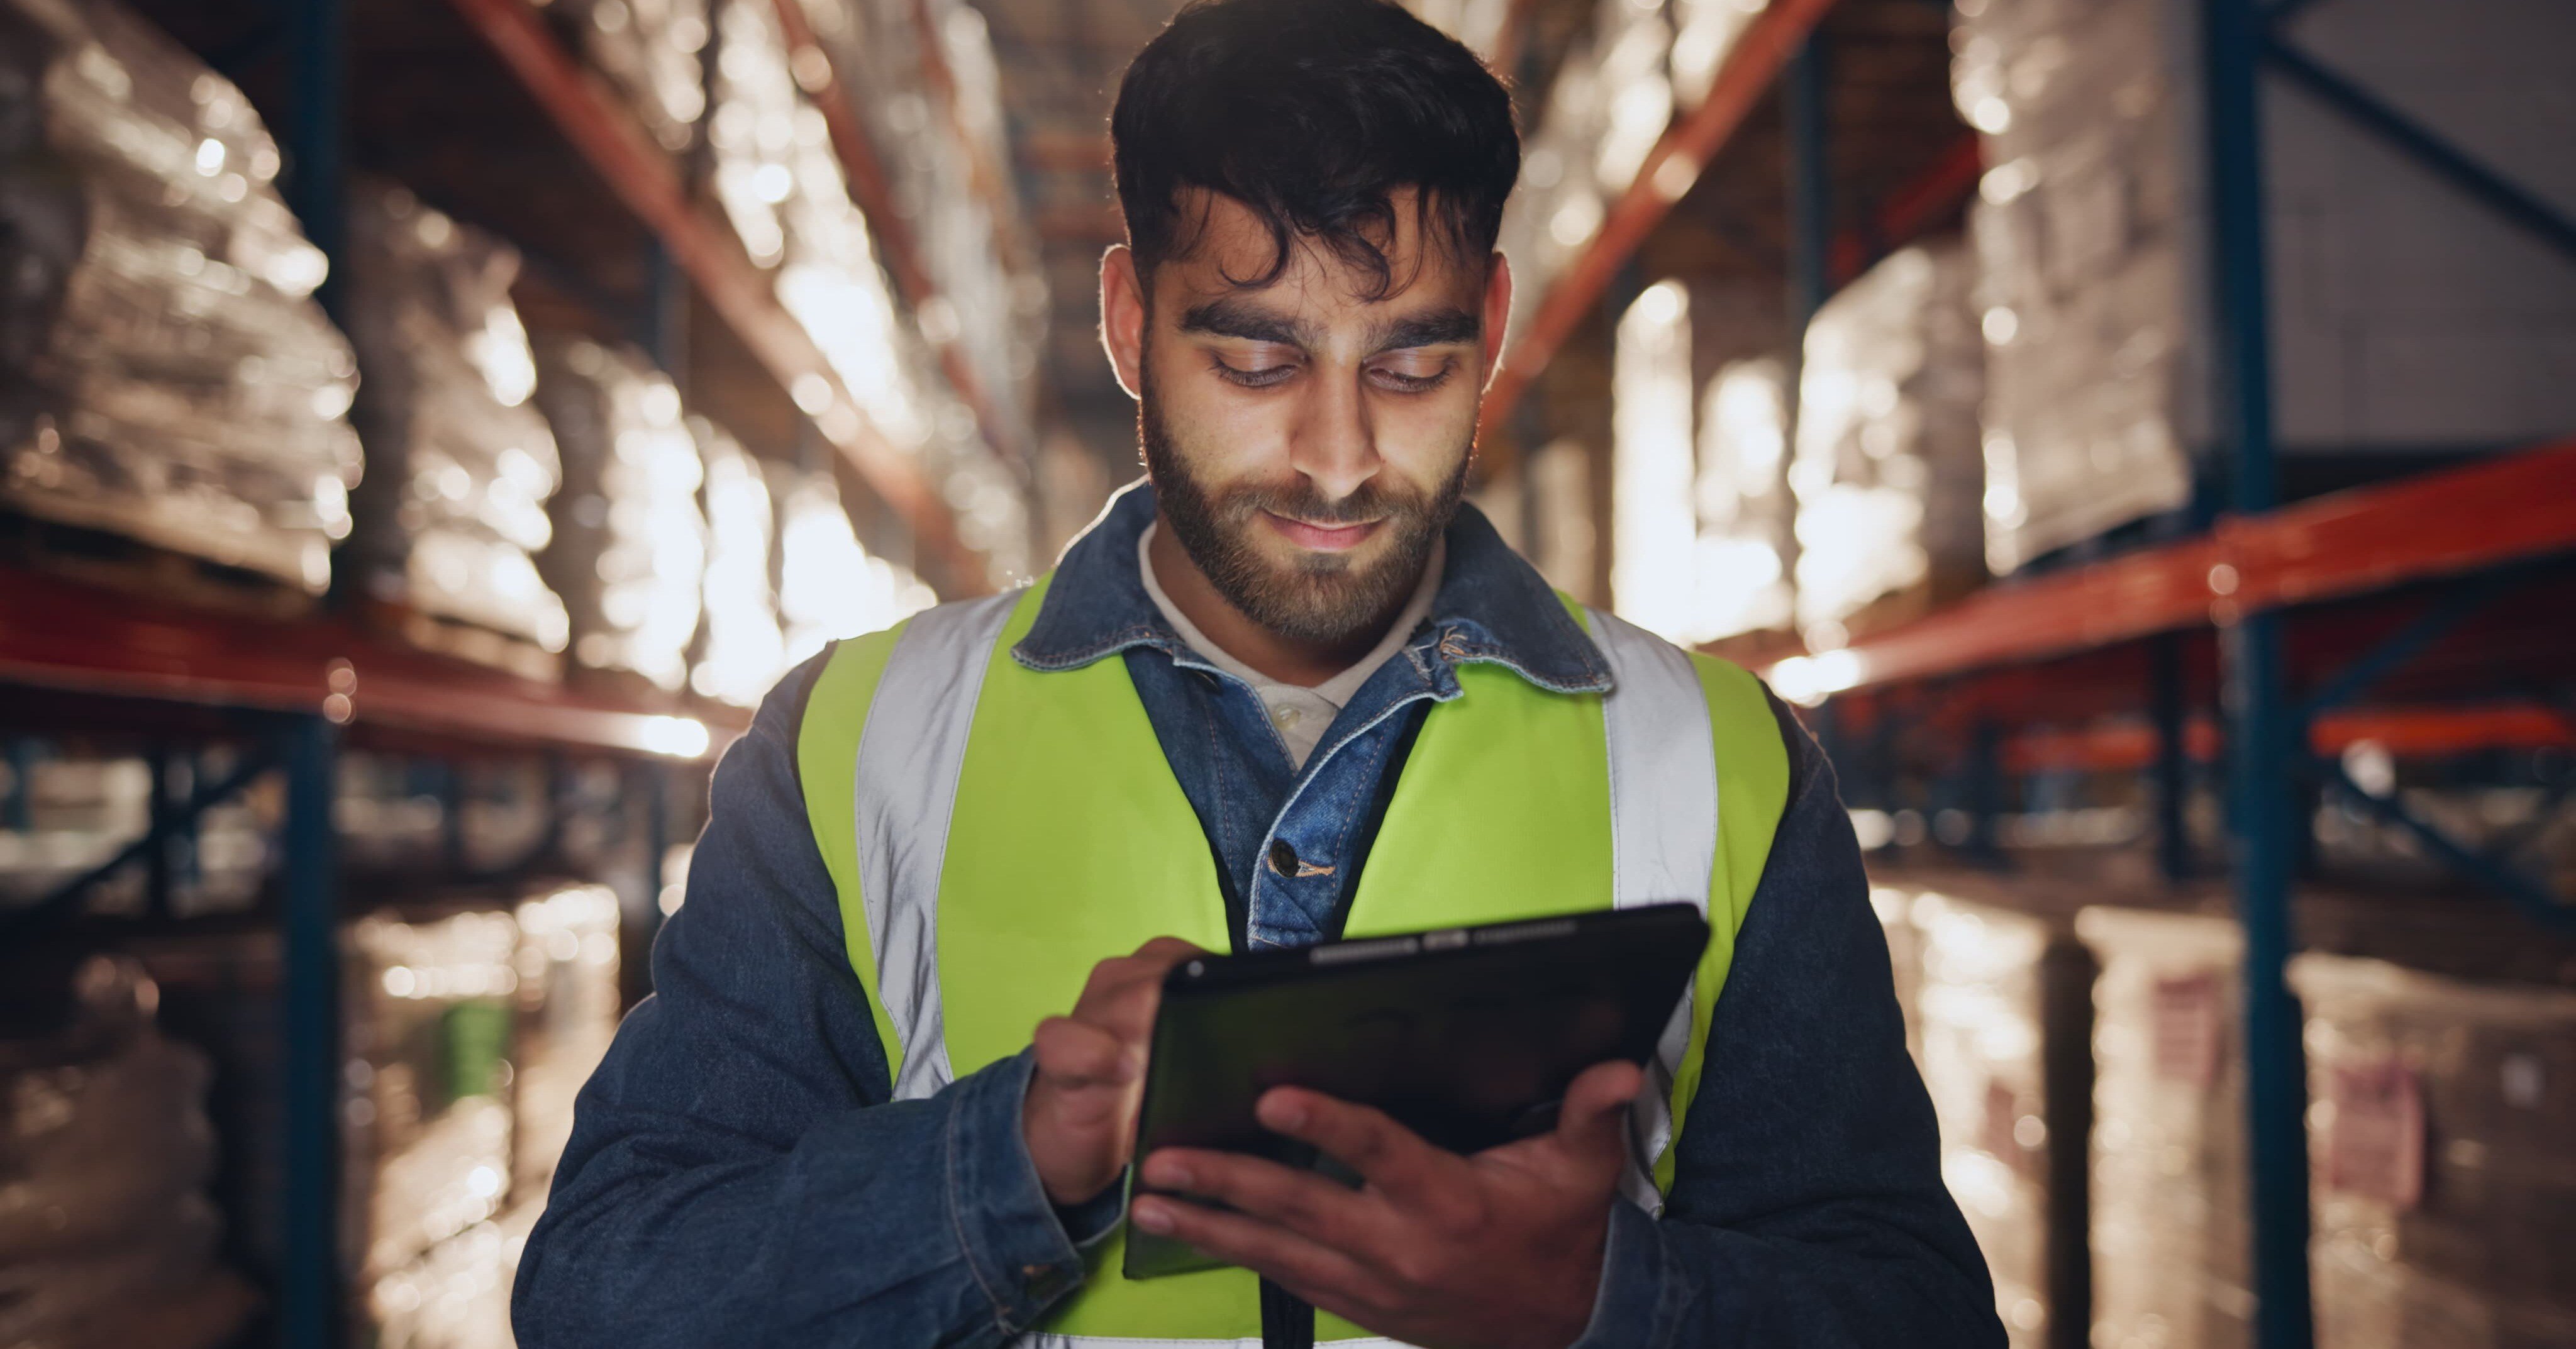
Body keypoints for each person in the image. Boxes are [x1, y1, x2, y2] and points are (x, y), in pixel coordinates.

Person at [512, 1, 2002, 1345]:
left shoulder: (1725, 761)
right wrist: (1012, 1155)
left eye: (1410, 365)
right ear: (1125, 323)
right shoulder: (853, 743)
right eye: (1254, 359)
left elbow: (1912, 1311)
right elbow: (610, 1290)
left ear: (1486, 330)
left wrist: (1597, 1301)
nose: (1339, 460)